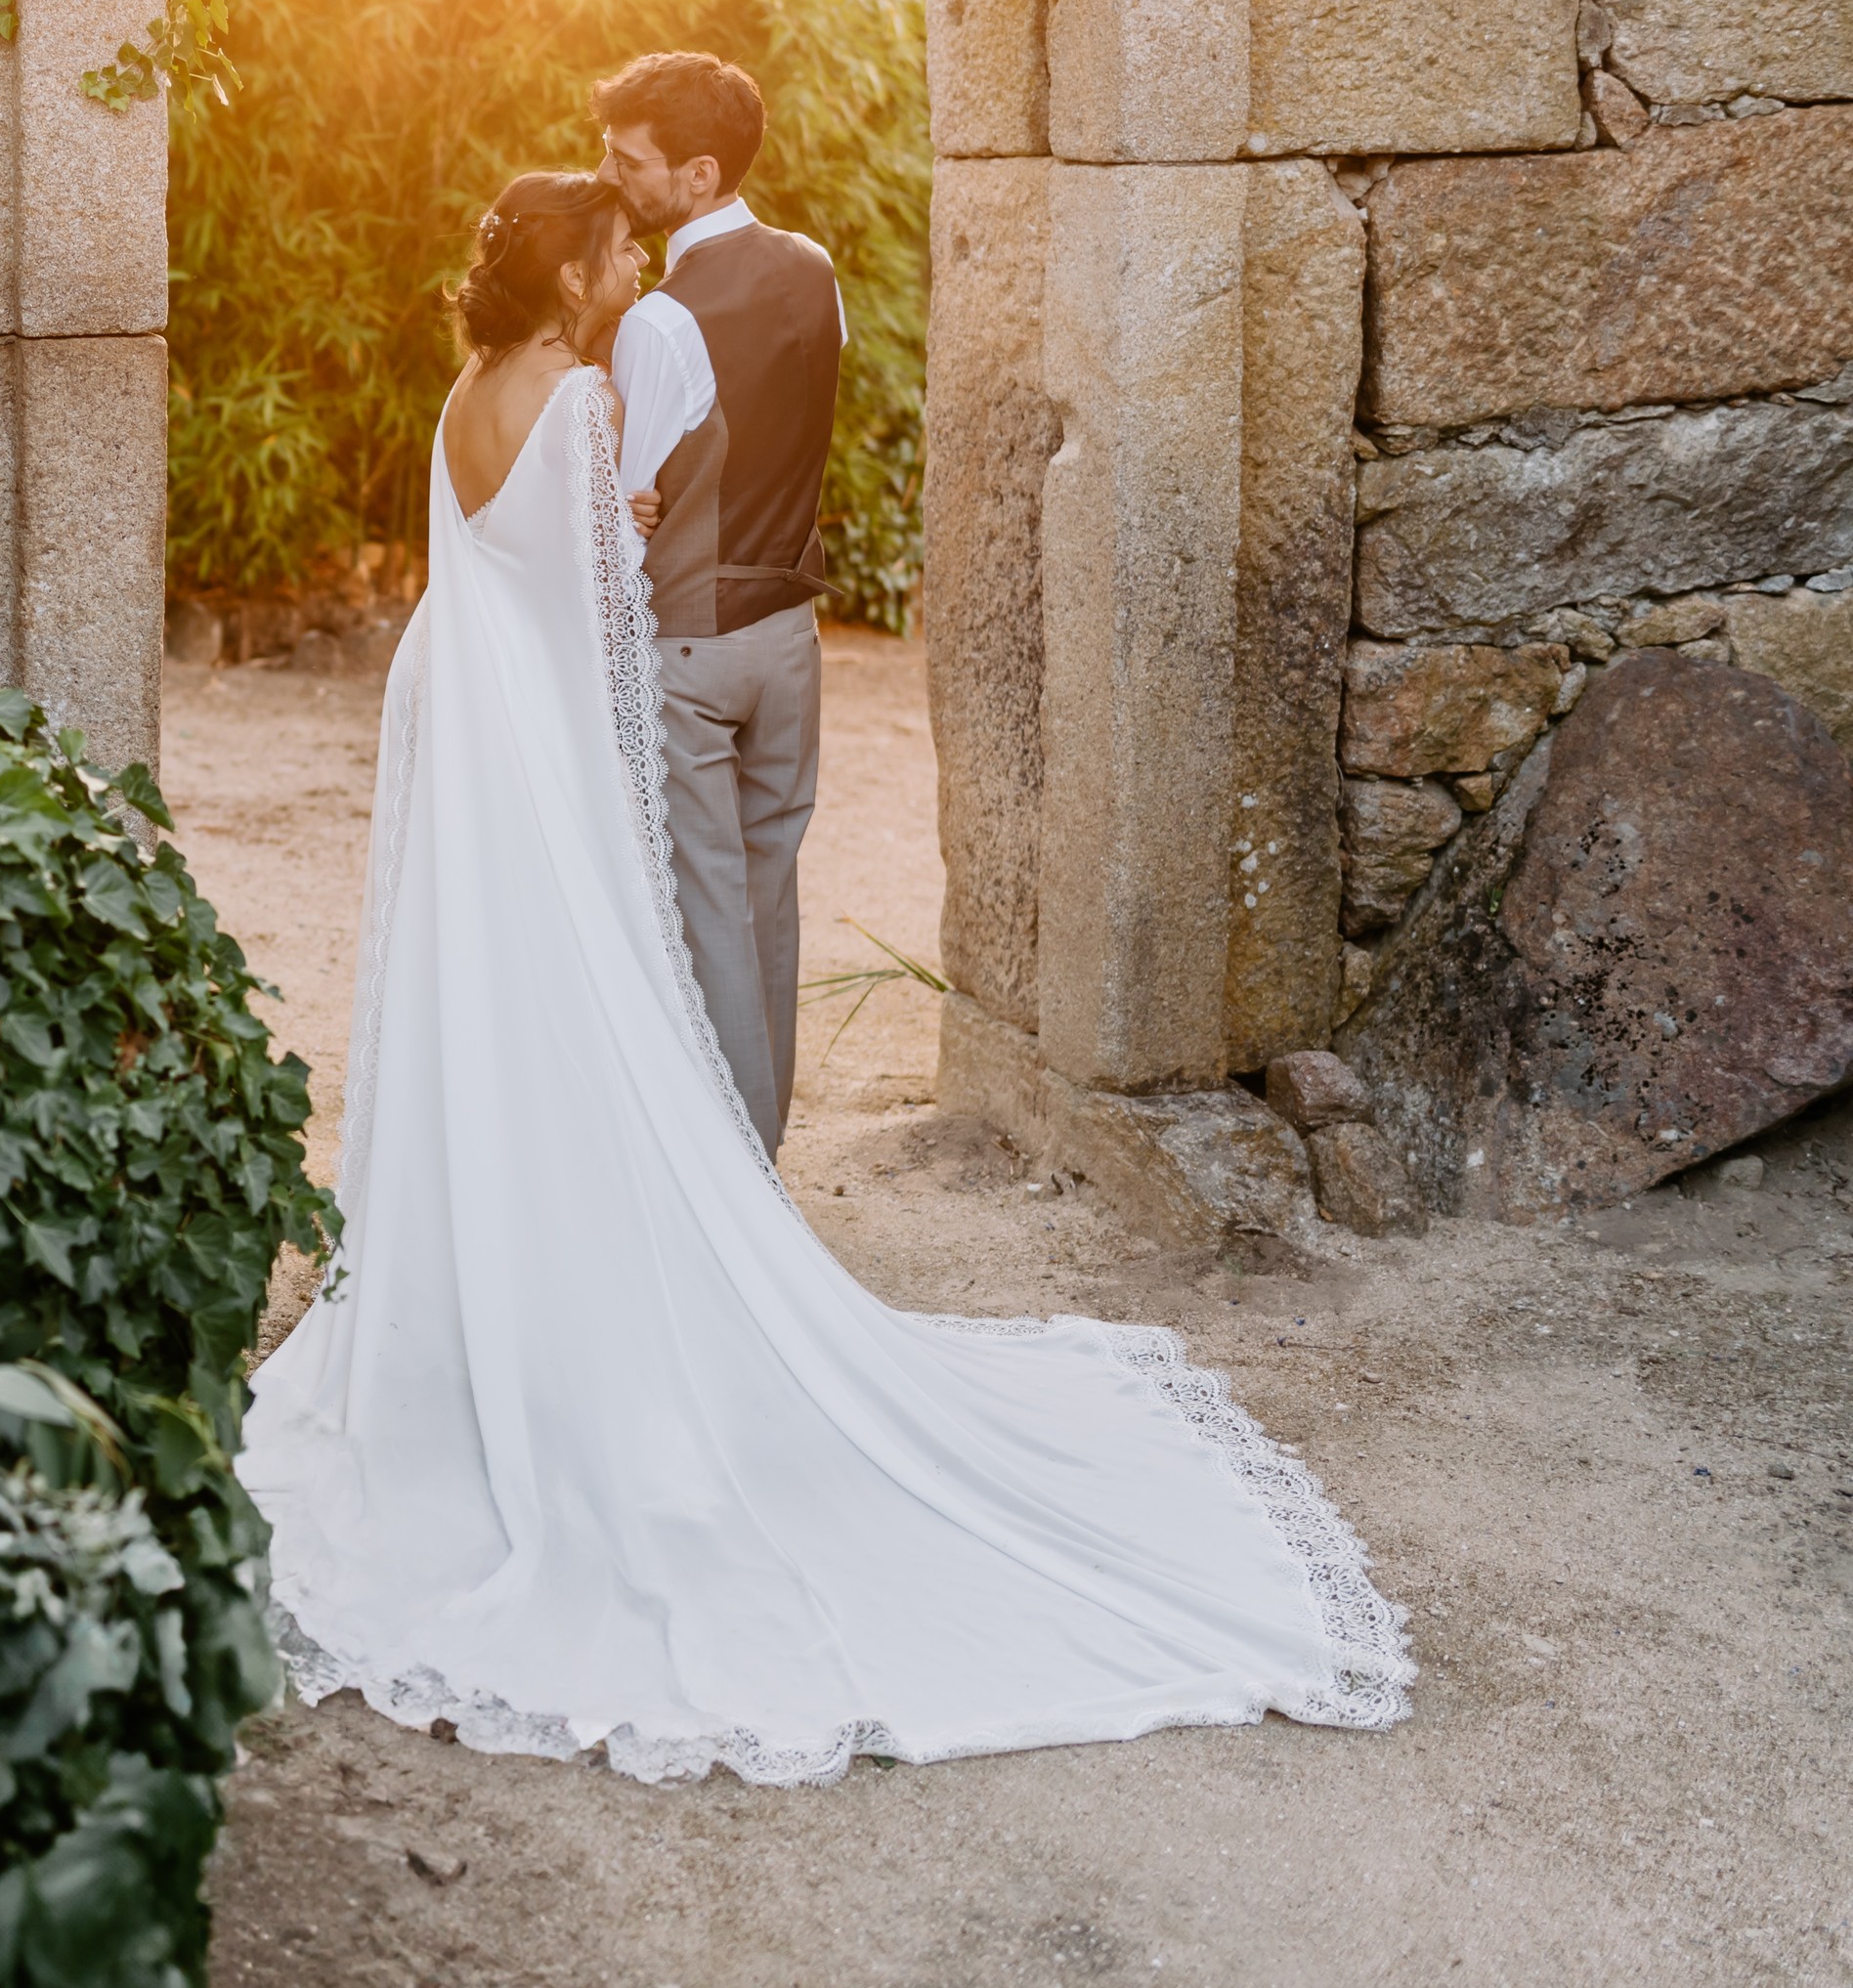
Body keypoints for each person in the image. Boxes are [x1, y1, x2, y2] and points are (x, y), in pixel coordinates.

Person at [233, 168, 1412, 1786]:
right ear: (577, 272)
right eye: (616, 249)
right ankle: (606, 1314)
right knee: (594, 1001)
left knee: (489, 1018)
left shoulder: (463, 398)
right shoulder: (578, 402)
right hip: (539, 737)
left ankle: (484, 1291)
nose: (631, 262)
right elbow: (605, 620)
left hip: (466, 731)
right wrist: (626, 610)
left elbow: (492, 577)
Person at [594, 53, 839, 1153]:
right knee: (768, 896)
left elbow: (630, 504)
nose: (610, 173)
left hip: (691, 648)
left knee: (707, 915)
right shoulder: (815, 269)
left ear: (698, 174)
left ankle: (739, 1171)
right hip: (792, 640)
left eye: (628, 159)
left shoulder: (657, 322)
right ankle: (765, 1134)